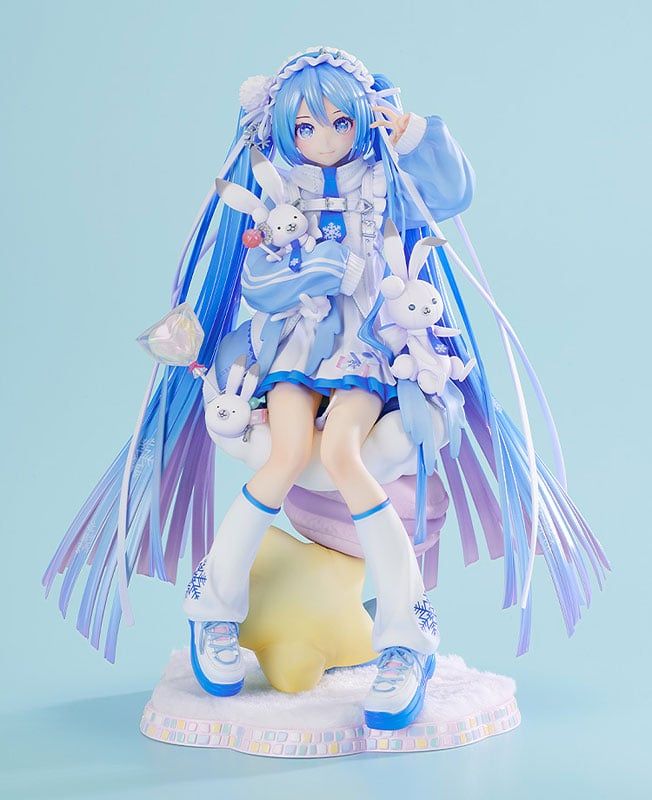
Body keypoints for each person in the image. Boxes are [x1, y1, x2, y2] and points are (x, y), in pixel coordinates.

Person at [42, 46, 610, 732]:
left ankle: (406, 635)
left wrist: (411, 132)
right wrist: (307, 275)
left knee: (343, 453)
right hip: (292, 346)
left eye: (341, 122)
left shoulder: (385, 178)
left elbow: (454, 192)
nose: (325, 139)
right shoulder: (278, 190)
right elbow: (256, 283)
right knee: (285, 455)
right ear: (284, 130)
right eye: (306, 127)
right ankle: (212, 606)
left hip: (365, 351)